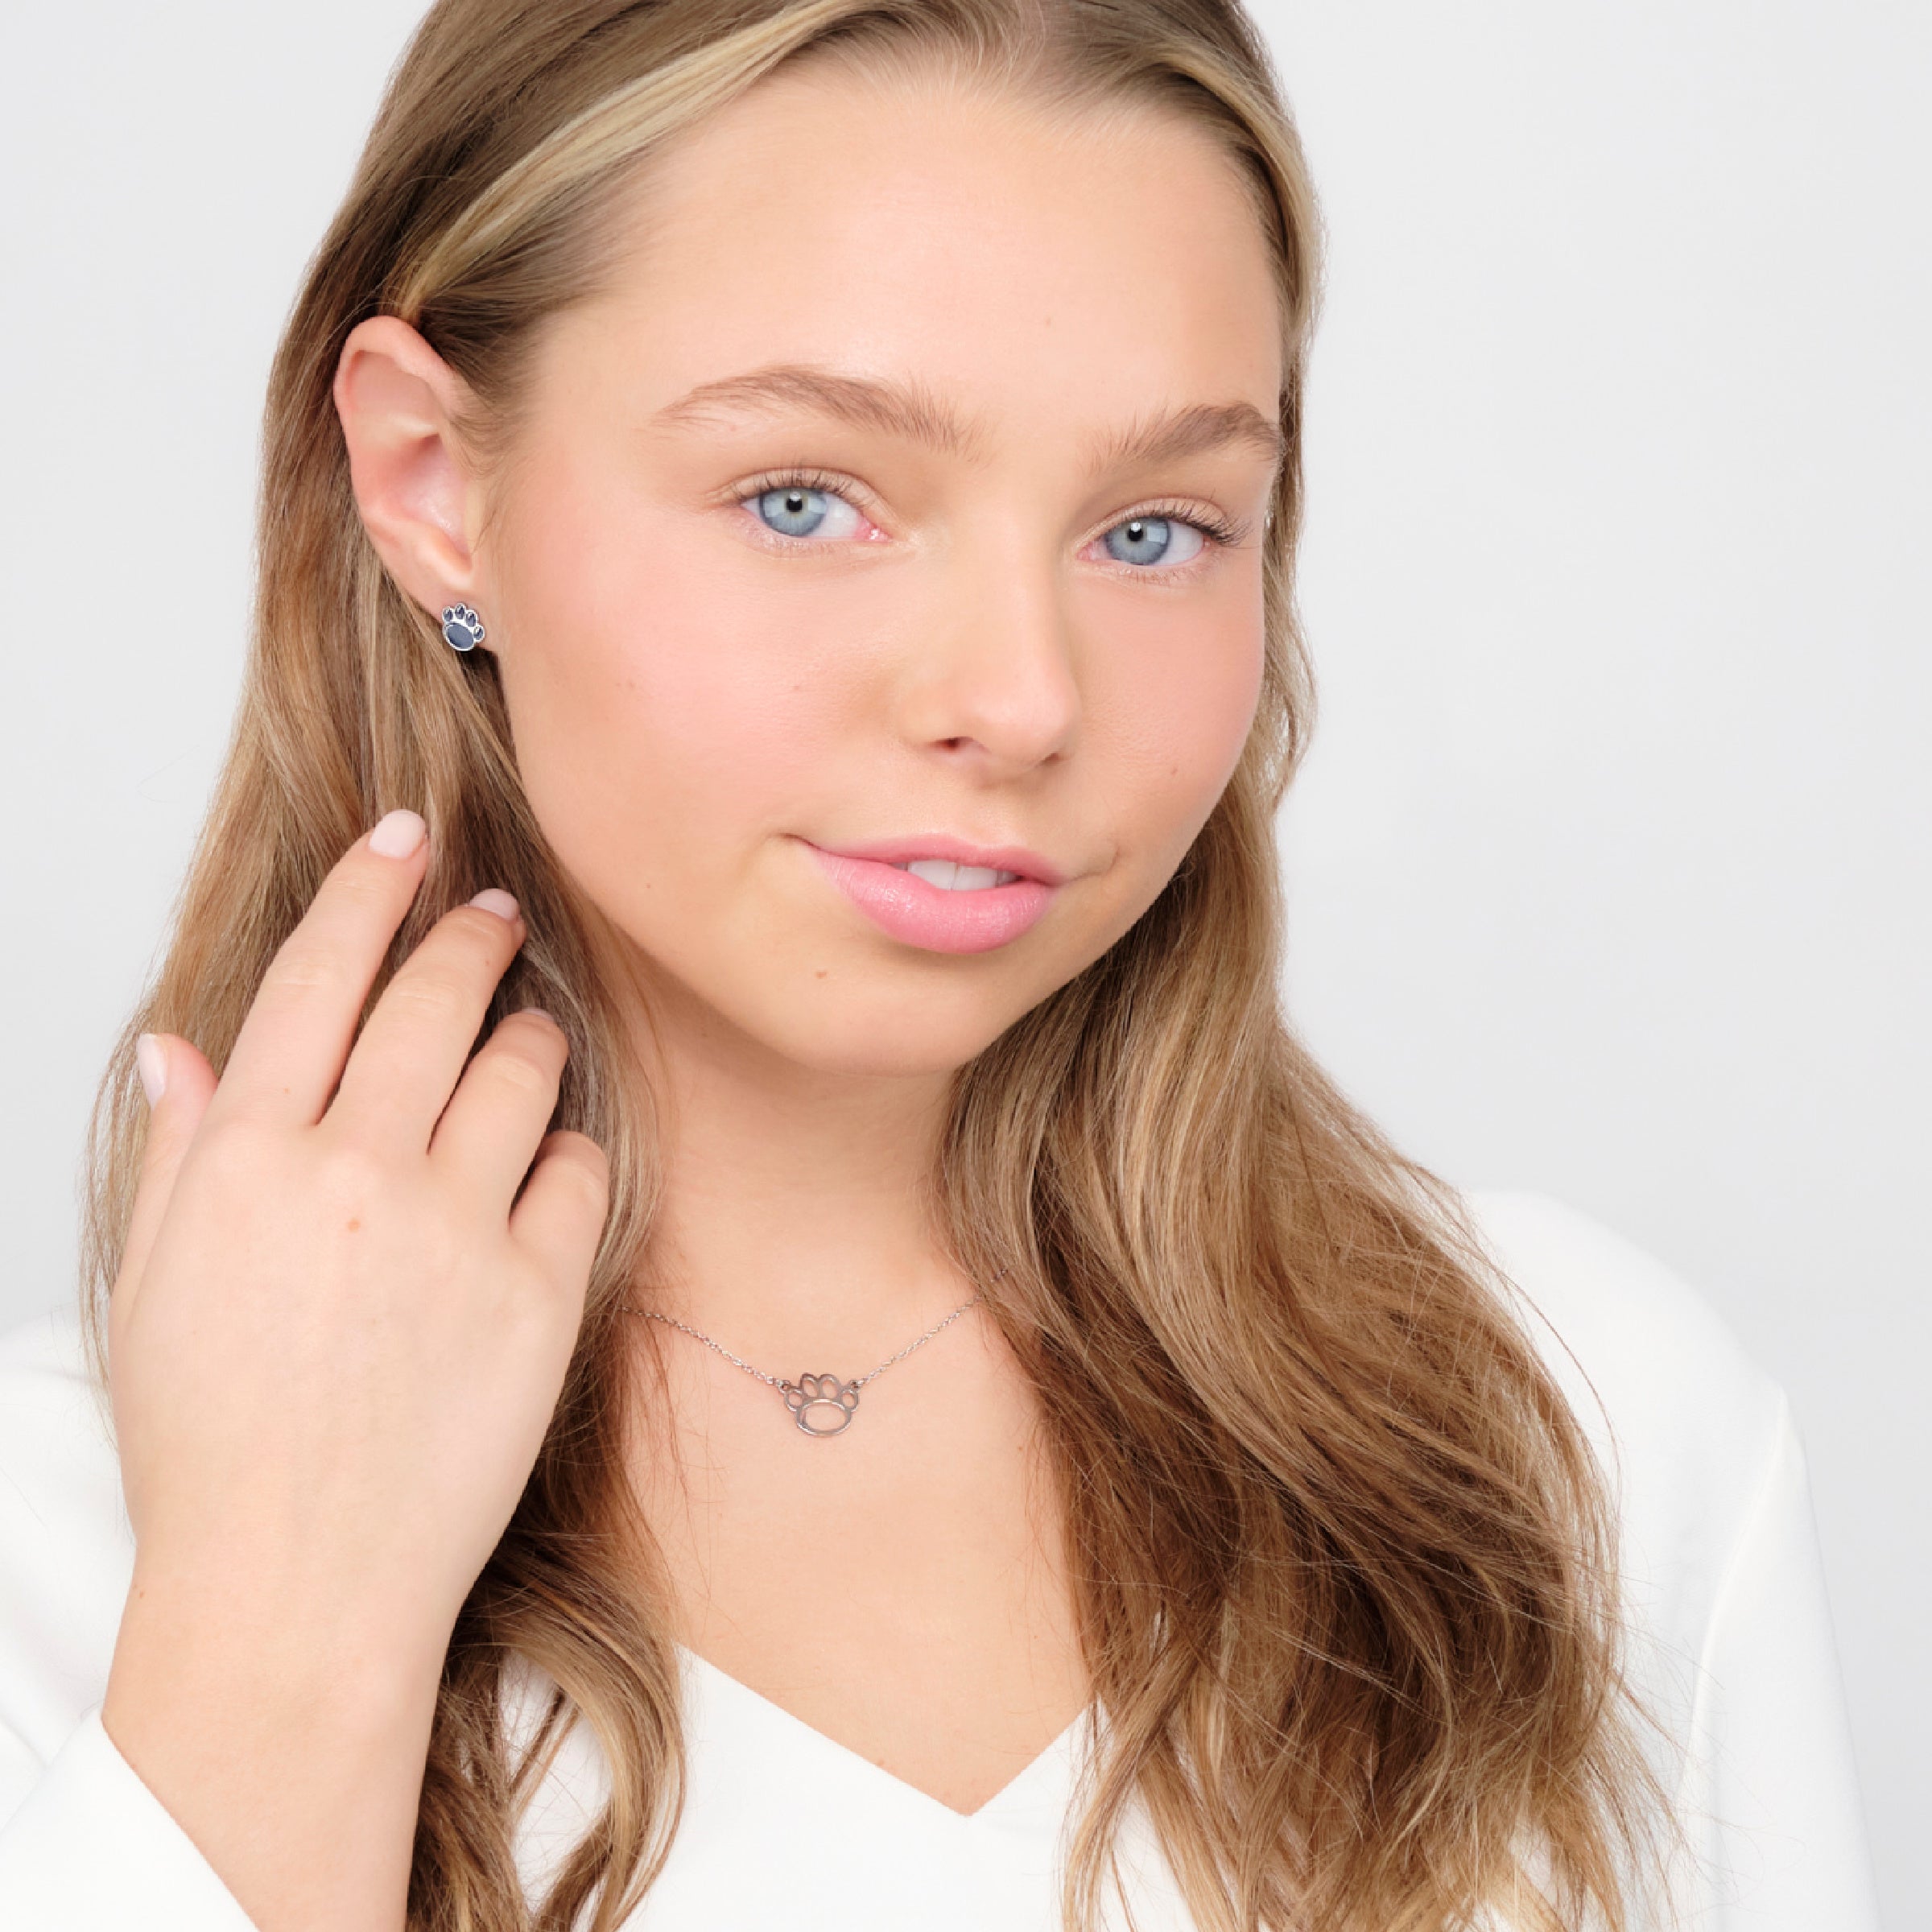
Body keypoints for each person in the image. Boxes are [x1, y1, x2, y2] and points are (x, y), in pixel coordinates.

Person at [0, 1, 1881, 1928]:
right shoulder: (60, 1561)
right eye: (804, 500)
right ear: (428, 480)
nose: (1022, 695)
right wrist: (281, 1627)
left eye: (1154, 531)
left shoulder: (1582, 1439)